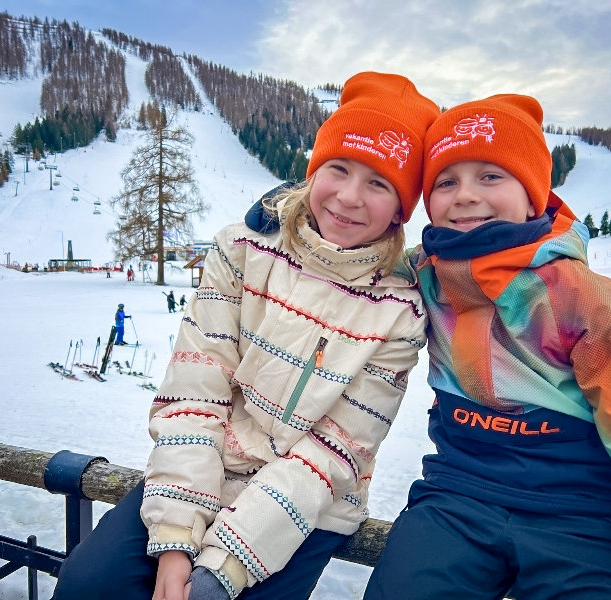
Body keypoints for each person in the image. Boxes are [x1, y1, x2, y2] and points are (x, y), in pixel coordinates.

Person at [52, 71, 440, 600]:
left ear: (402, 207)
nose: (349, 197)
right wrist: (174, 541)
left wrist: (222, 569)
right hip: (203, 467)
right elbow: (196, 391)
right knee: (90, 585)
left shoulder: (399, 309)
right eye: (339, 169)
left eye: (379, 183)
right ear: (313, 171)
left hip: (306, 501)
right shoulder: (242, 251)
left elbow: (336, 449)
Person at [364, 94, 611, 600]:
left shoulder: (585, 300)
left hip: (578, 515)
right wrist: (283, 222)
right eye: (446, 181)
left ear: (533, 194)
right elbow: (346, 266)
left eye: (491, 176)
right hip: (458, 498)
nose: (465, 196)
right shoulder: (423, 276)